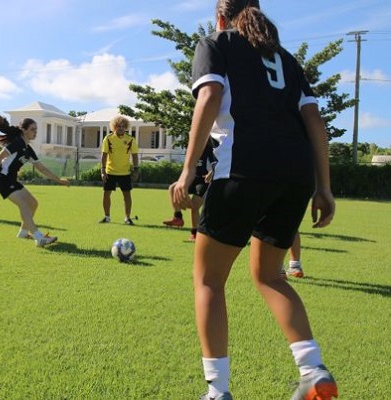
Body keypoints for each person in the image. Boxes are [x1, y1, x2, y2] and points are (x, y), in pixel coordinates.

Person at [172, 1, 337, 399]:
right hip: (294, 177)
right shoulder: (285, 59)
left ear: (220, 17)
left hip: (243, 169)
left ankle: (217, 391)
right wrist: (324, 187)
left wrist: (188, 168)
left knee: (209, 280)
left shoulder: (216, 42)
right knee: (269, 276)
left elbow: (209, 95)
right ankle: (313, 370)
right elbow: (314, 120)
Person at [0, 115, 69, 247]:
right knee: (23, 204)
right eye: (33, 129)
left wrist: (59, 180)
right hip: (1, 178)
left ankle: (23, 232)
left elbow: (42, 168)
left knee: (33, 203)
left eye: (36, 129)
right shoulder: (17, 143)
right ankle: (39, 237)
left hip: (11, 179)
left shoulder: (28, 149)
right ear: (24, 130)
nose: (35, 132)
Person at [163, 139, 217, 241]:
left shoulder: (208, 148)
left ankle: (195, 233)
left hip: (203, 181)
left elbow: (215, 163)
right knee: (173, 187)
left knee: (194, 206)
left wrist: (210, 173)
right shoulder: (191, 148)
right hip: (193, 178)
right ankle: (177, 217)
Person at [98, 115, 139, 225]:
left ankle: (127, 218)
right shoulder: (108, 138)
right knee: (106, 194)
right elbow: (104, 155)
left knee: (127, 195)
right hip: (110, 171)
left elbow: (135, 155)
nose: (120, 128)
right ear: (114, 127)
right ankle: (107, 217)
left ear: (126, 127)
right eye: (118, 126)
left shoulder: (130, 139)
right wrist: (103, 170)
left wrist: (136, 170)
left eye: (123, 126)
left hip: (125, 172)